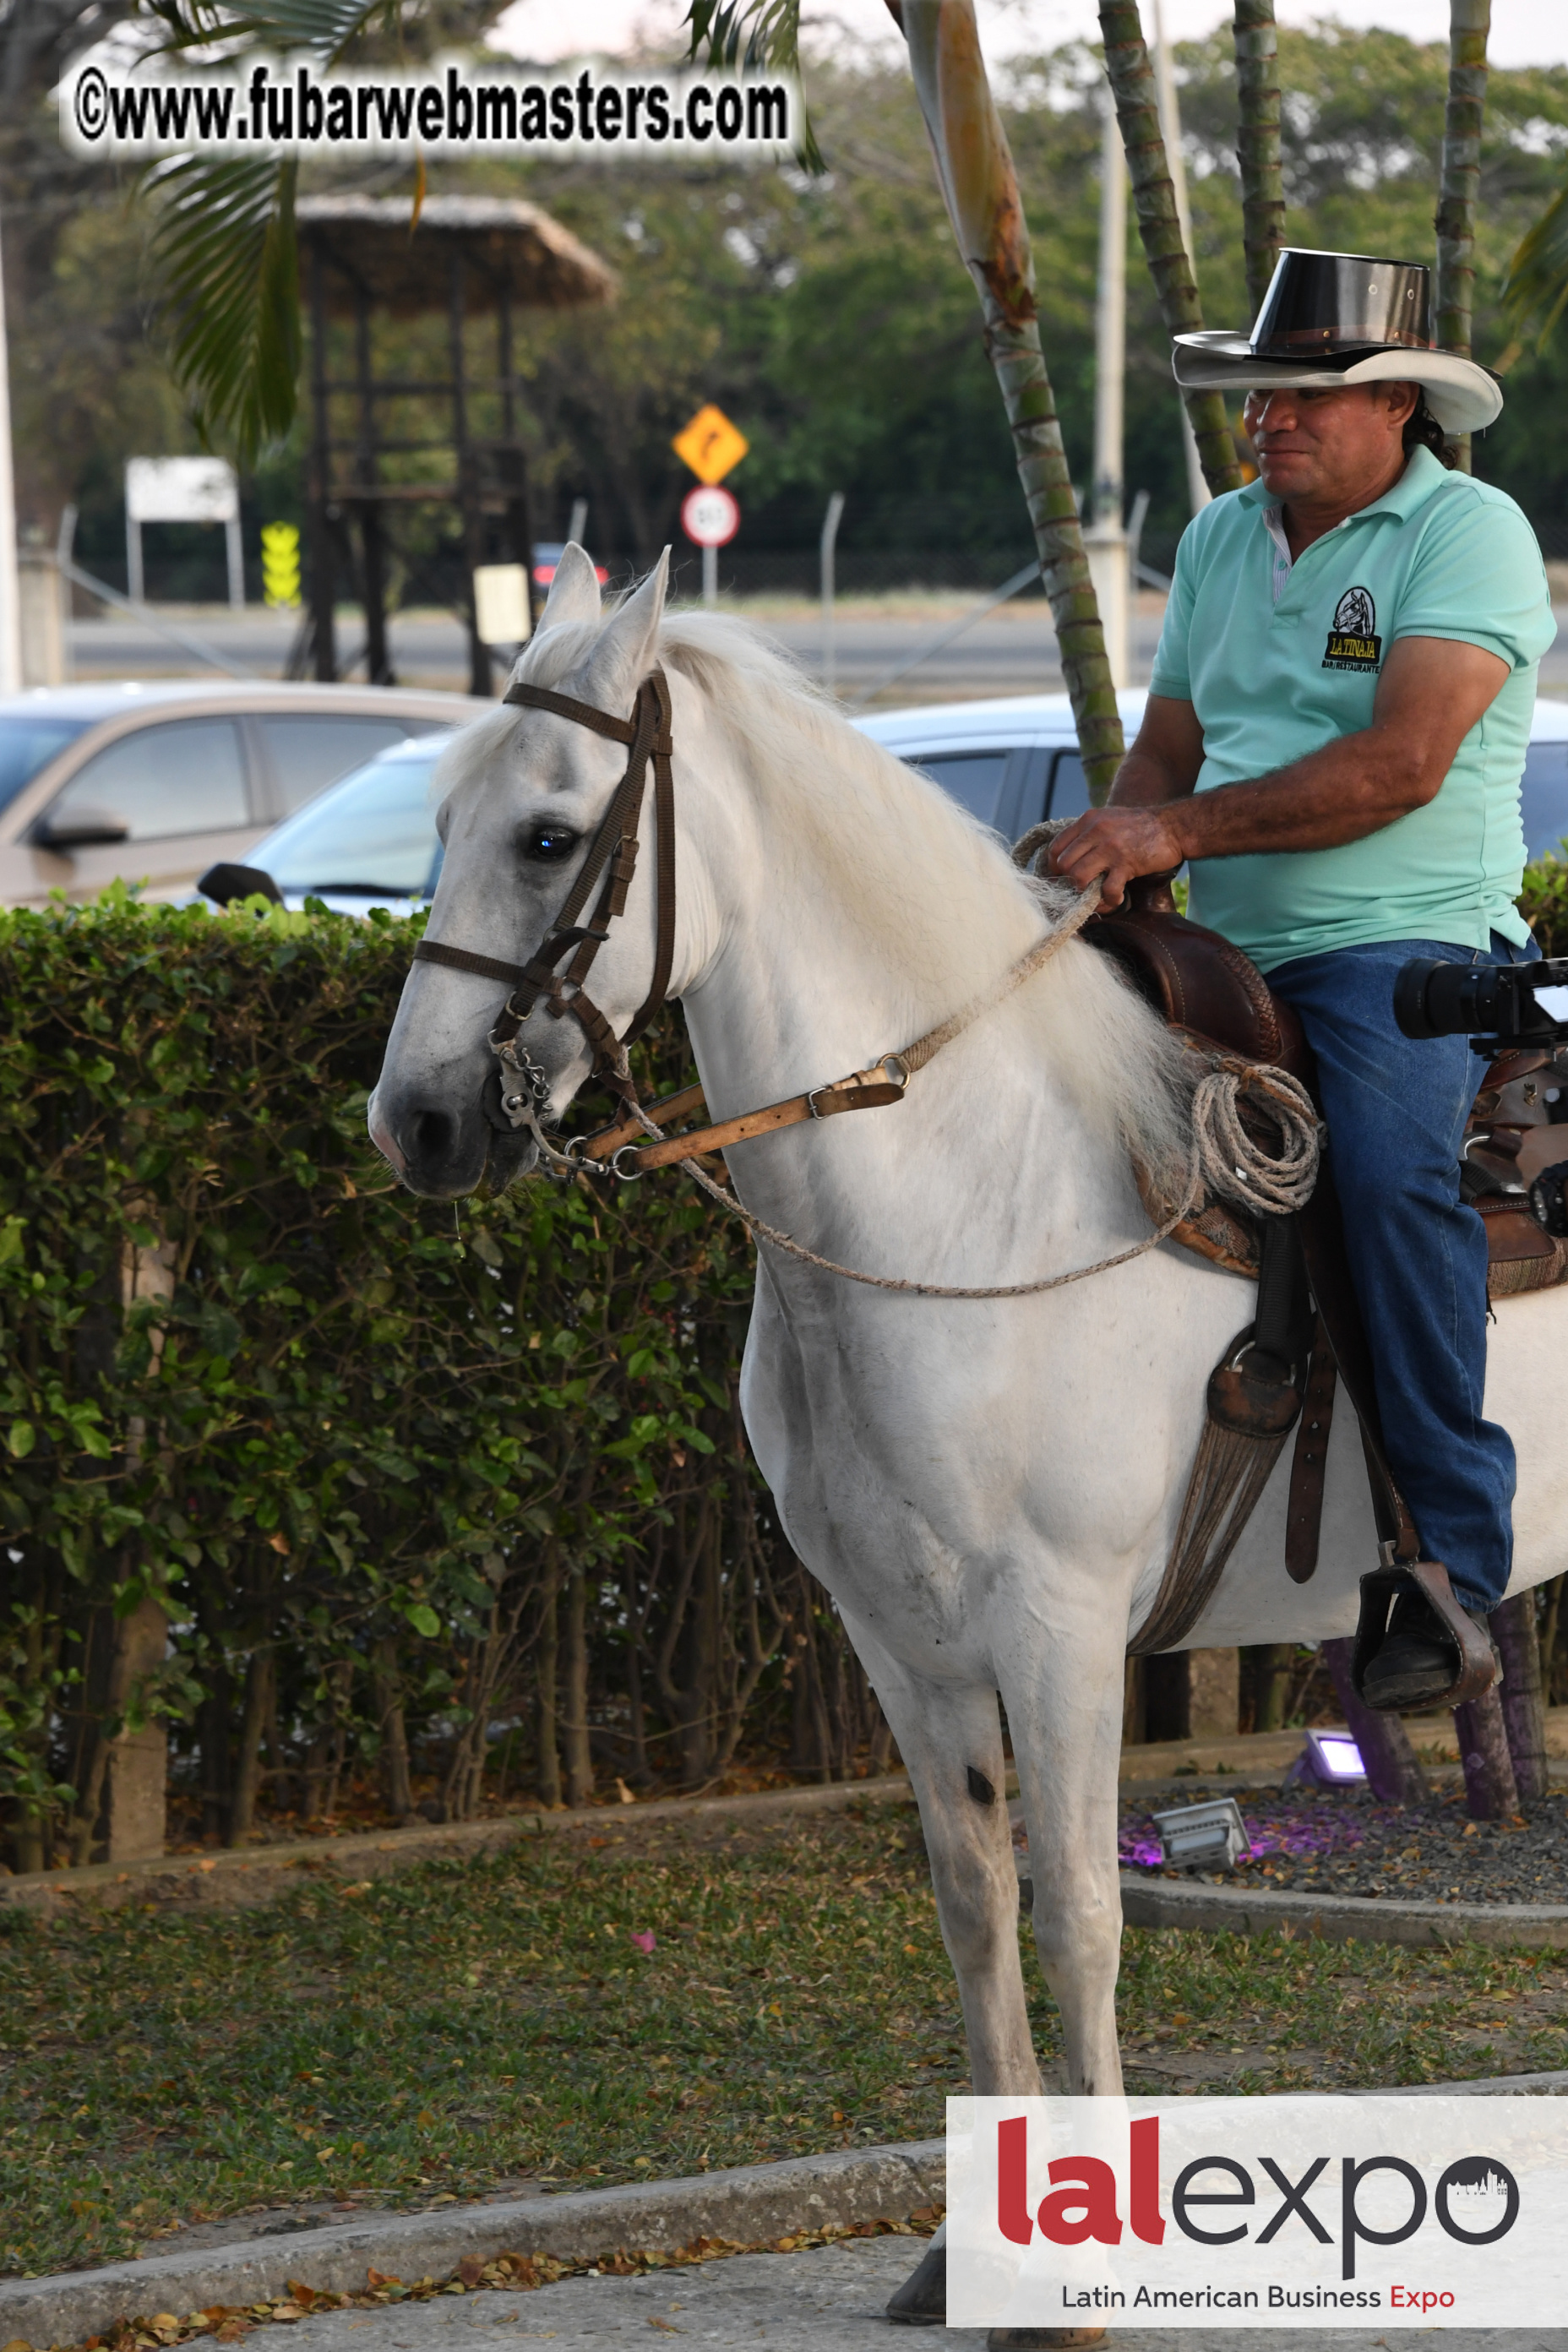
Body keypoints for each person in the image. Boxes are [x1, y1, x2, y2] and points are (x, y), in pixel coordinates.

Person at [1047, 248, 1557, 1711]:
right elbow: (1169, 750)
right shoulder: (1219, 541)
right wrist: (1109, 849)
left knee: (1395, 1179)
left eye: (1304, 396)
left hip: (1403, 950)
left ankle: (1448, 1574)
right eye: (1258, 395)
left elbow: (1404, 765)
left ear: (1396, 402)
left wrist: (1173, 830)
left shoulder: (1466, 534)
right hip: (1214, 940)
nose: (1268, 420)